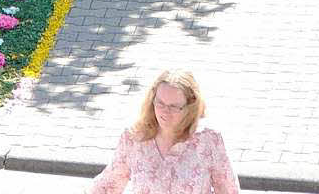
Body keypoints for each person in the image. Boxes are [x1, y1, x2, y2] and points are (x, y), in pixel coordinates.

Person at [88, 68, 240, 194]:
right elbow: (108, 185)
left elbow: (229, 190)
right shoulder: (134, 137)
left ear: (190, 107)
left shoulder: (209, 140)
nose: (164, 112)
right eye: (160, 103)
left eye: (174, 107)